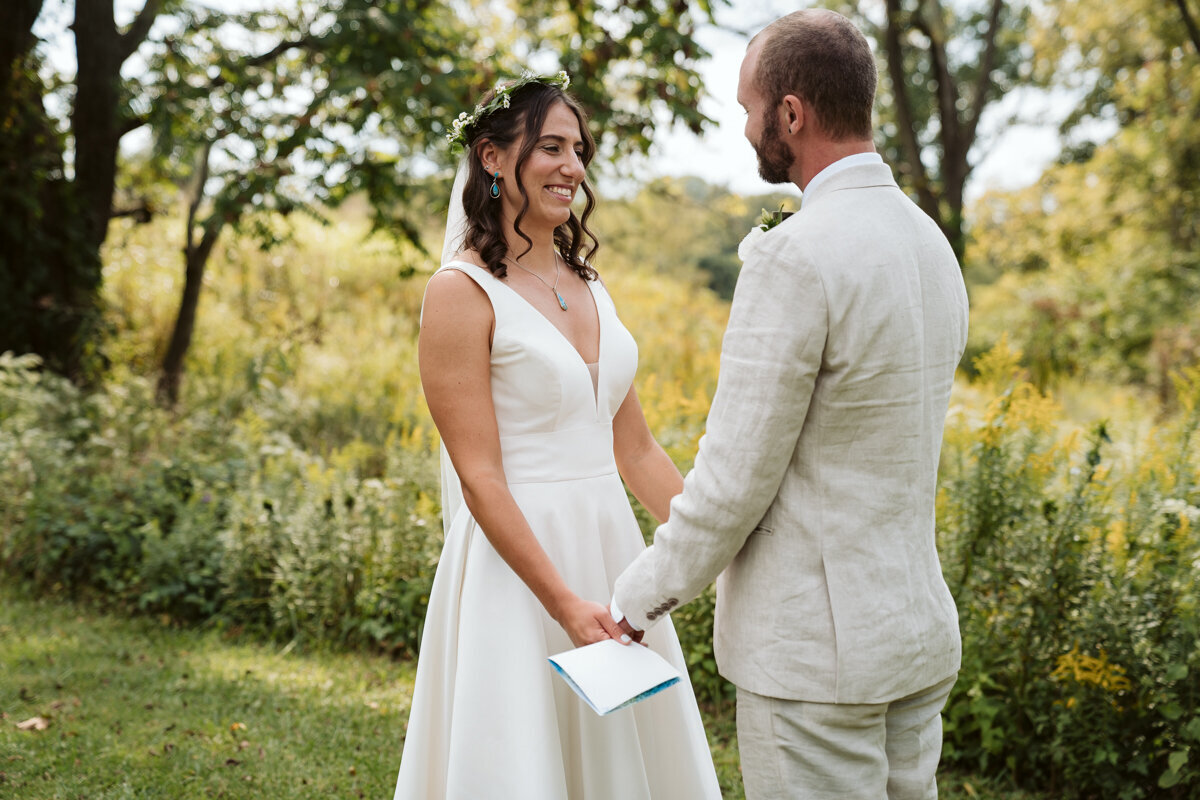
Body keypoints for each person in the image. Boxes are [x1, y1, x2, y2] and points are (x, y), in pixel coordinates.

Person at [608, 10, 970, 800]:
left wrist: (639, 598)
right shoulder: (928, 242)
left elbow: (735, 478)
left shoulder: (794, 257)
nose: (744, 128)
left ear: (793, 113)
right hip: (913, 634)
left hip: (815, 657)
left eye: (747, 108)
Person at [393, 72, 721, 800]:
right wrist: (563, 602)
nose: (573, 167)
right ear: (491, 157)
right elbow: (479, 475)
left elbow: (635, 449)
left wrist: (715, 547)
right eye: (550, 147)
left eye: (578, 149)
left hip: (609, 549)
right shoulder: (460, 292)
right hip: (520, 571)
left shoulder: (588, 281)